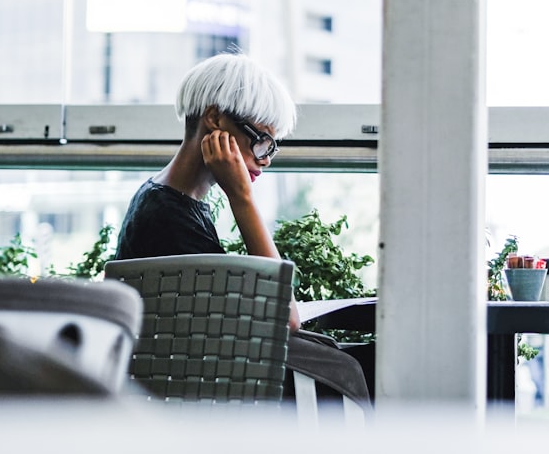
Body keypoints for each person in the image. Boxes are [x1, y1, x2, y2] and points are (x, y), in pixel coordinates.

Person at [113, 51, 370, 408]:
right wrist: (242, 198)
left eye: (271, 147)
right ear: (215, 118)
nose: (264, 158)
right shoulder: (168, 217)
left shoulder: (166, 200)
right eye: (260, 139)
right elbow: (287, 318)